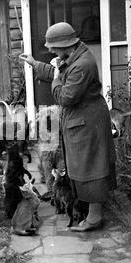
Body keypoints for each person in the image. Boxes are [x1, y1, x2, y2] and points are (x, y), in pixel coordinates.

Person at [20, 22, 116, 231]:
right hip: (81, 120)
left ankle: (95, 216)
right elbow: (59, 74)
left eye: (53, 47)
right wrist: (35, 64)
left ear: (64, 45)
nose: (51, 51)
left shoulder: (82, 64)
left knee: (91, 167)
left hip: (88, 122)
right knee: (83, 166)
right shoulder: (73, 58)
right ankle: (87, 210)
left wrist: (54, 79)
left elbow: (65, 96)